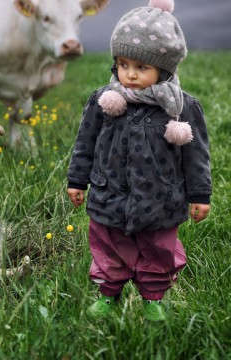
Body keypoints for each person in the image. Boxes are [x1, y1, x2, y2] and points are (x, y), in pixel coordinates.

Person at [66, 0, 211, 322]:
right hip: (109, 194)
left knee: (159, 248)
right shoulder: (104, 101)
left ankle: (153, 296)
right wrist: (77, 180)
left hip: (161, 198)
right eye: (122, 64)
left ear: (165, 69)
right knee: (107, 245)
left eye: (141, 68)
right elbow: (84, 143)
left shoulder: (182, 108)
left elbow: (197, 154)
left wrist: (200, 195)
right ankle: (107, 293)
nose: (129, 74)